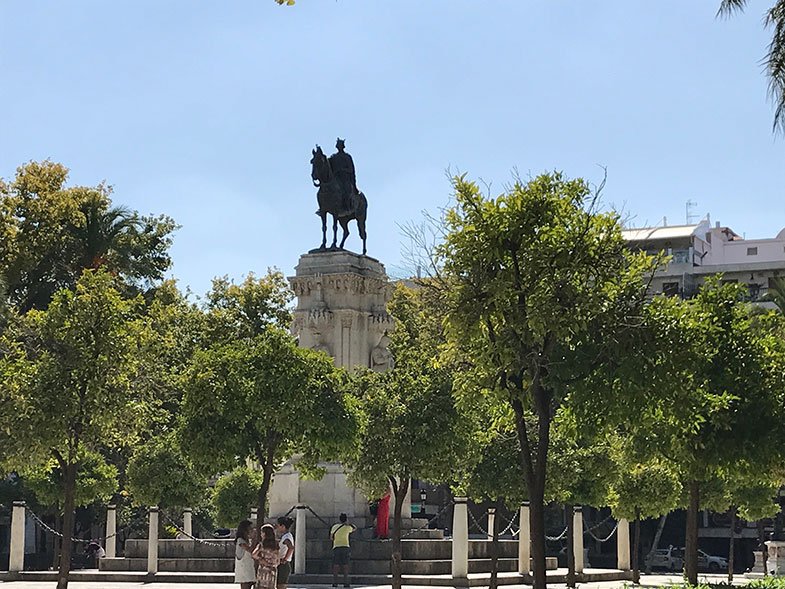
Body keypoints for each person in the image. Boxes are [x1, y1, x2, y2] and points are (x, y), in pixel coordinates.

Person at [328, 138, 358, 217]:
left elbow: (351, 169)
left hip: (345, 179)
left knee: (346, 190)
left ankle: (347, 205)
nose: (338, 146)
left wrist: (342, 170)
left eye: (340, 145)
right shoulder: (333, 157)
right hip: (336, 179)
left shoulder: (347, 157)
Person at [330, 513, 357, 588]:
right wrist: (348, 523)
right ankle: (346, 582)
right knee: (345, 565)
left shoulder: (334, 527)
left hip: (336, 547)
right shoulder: (347, 527)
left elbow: (331, 537)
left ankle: (335, 582)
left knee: (336, 565)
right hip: (345, 547)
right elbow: (355, 528)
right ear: (346, 519)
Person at [253, 524, 281, 589]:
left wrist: (261, 559)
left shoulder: (261, 545)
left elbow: (254, 554)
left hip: (263, 568)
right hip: (272, 569)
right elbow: (278, 560)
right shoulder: (276, 545)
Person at [234, 520, 256, 589]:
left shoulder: (247, 540)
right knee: (245, 584)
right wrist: (254, 539)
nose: (251, 530)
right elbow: (250, 550)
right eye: (250, 528)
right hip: (244, 566)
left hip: (249, 565)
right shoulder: (240, 540)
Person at [275, 516, 295, 589]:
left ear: (282, 526)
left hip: (283, 564)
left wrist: (285, 559)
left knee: (281, 585)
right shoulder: (286, 536)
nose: (277, 527)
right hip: (281, 563)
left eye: (278, 525)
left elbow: (291, 547)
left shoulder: (286, 537)